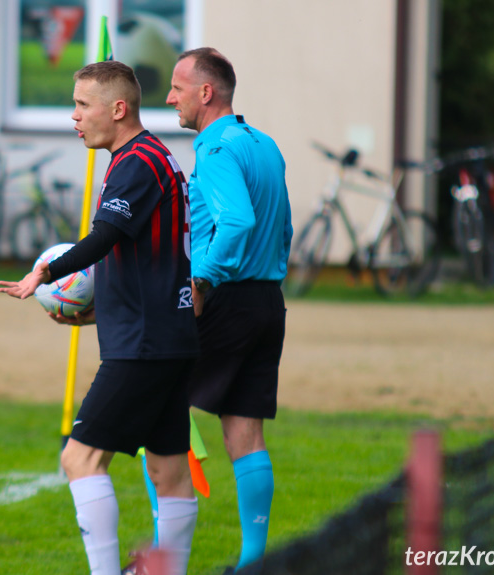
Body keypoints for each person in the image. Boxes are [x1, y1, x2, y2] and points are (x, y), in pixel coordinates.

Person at [0, 60, 199, 575]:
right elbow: (143, 261)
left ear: (118, 108)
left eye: (83, 105)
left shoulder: (136, 161)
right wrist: (92, 310)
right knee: (168, 469)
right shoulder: (156, 157)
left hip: (143, 347)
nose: (74, 116)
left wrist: (47, 271)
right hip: (170, 337)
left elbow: (105, 238)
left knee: (80, 459)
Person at [165, 47, 293, 574]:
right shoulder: (264, 145)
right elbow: (281, 226)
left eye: (177, 87)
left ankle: (163, 556)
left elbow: (235, 223)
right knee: (245, 430)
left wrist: (201, 280)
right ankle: (252, 562)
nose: (170, 97)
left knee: (157, 408)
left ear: (206, 92)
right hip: (268, 301)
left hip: (228, 298)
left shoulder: (215, 151)